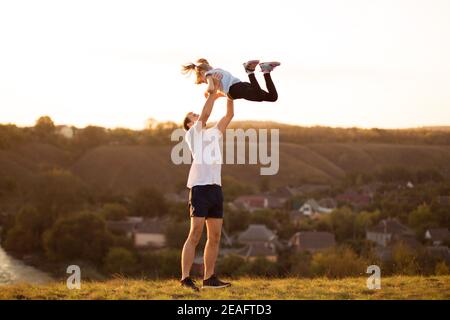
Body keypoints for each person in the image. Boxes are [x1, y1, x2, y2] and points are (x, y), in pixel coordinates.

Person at [180, 88, 234, 291]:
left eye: (196, 114)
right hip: (200, 188)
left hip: (215, 188)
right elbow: (206, 114)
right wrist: (212, 94)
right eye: (192, 116)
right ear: (189, 124)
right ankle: (185, 278)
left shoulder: (214, 132)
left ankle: (209, 278)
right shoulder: (193, 134)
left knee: (216, 236)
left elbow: (229, 115)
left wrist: (229, 94)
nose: (197, 115)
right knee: (195, 233)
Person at [181, 58, 280, 102]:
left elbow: (211, 88)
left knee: (259, 96)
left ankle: (249, 71)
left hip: (235, 90)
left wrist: (208, 90)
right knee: (272, 97)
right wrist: (217, 95)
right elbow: (222, 90)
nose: (204, 82)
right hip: (240, 85)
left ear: (202, 73)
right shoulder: (218, 70)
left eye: (202, 81)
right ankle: (266, 71)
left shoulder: (208, 74)